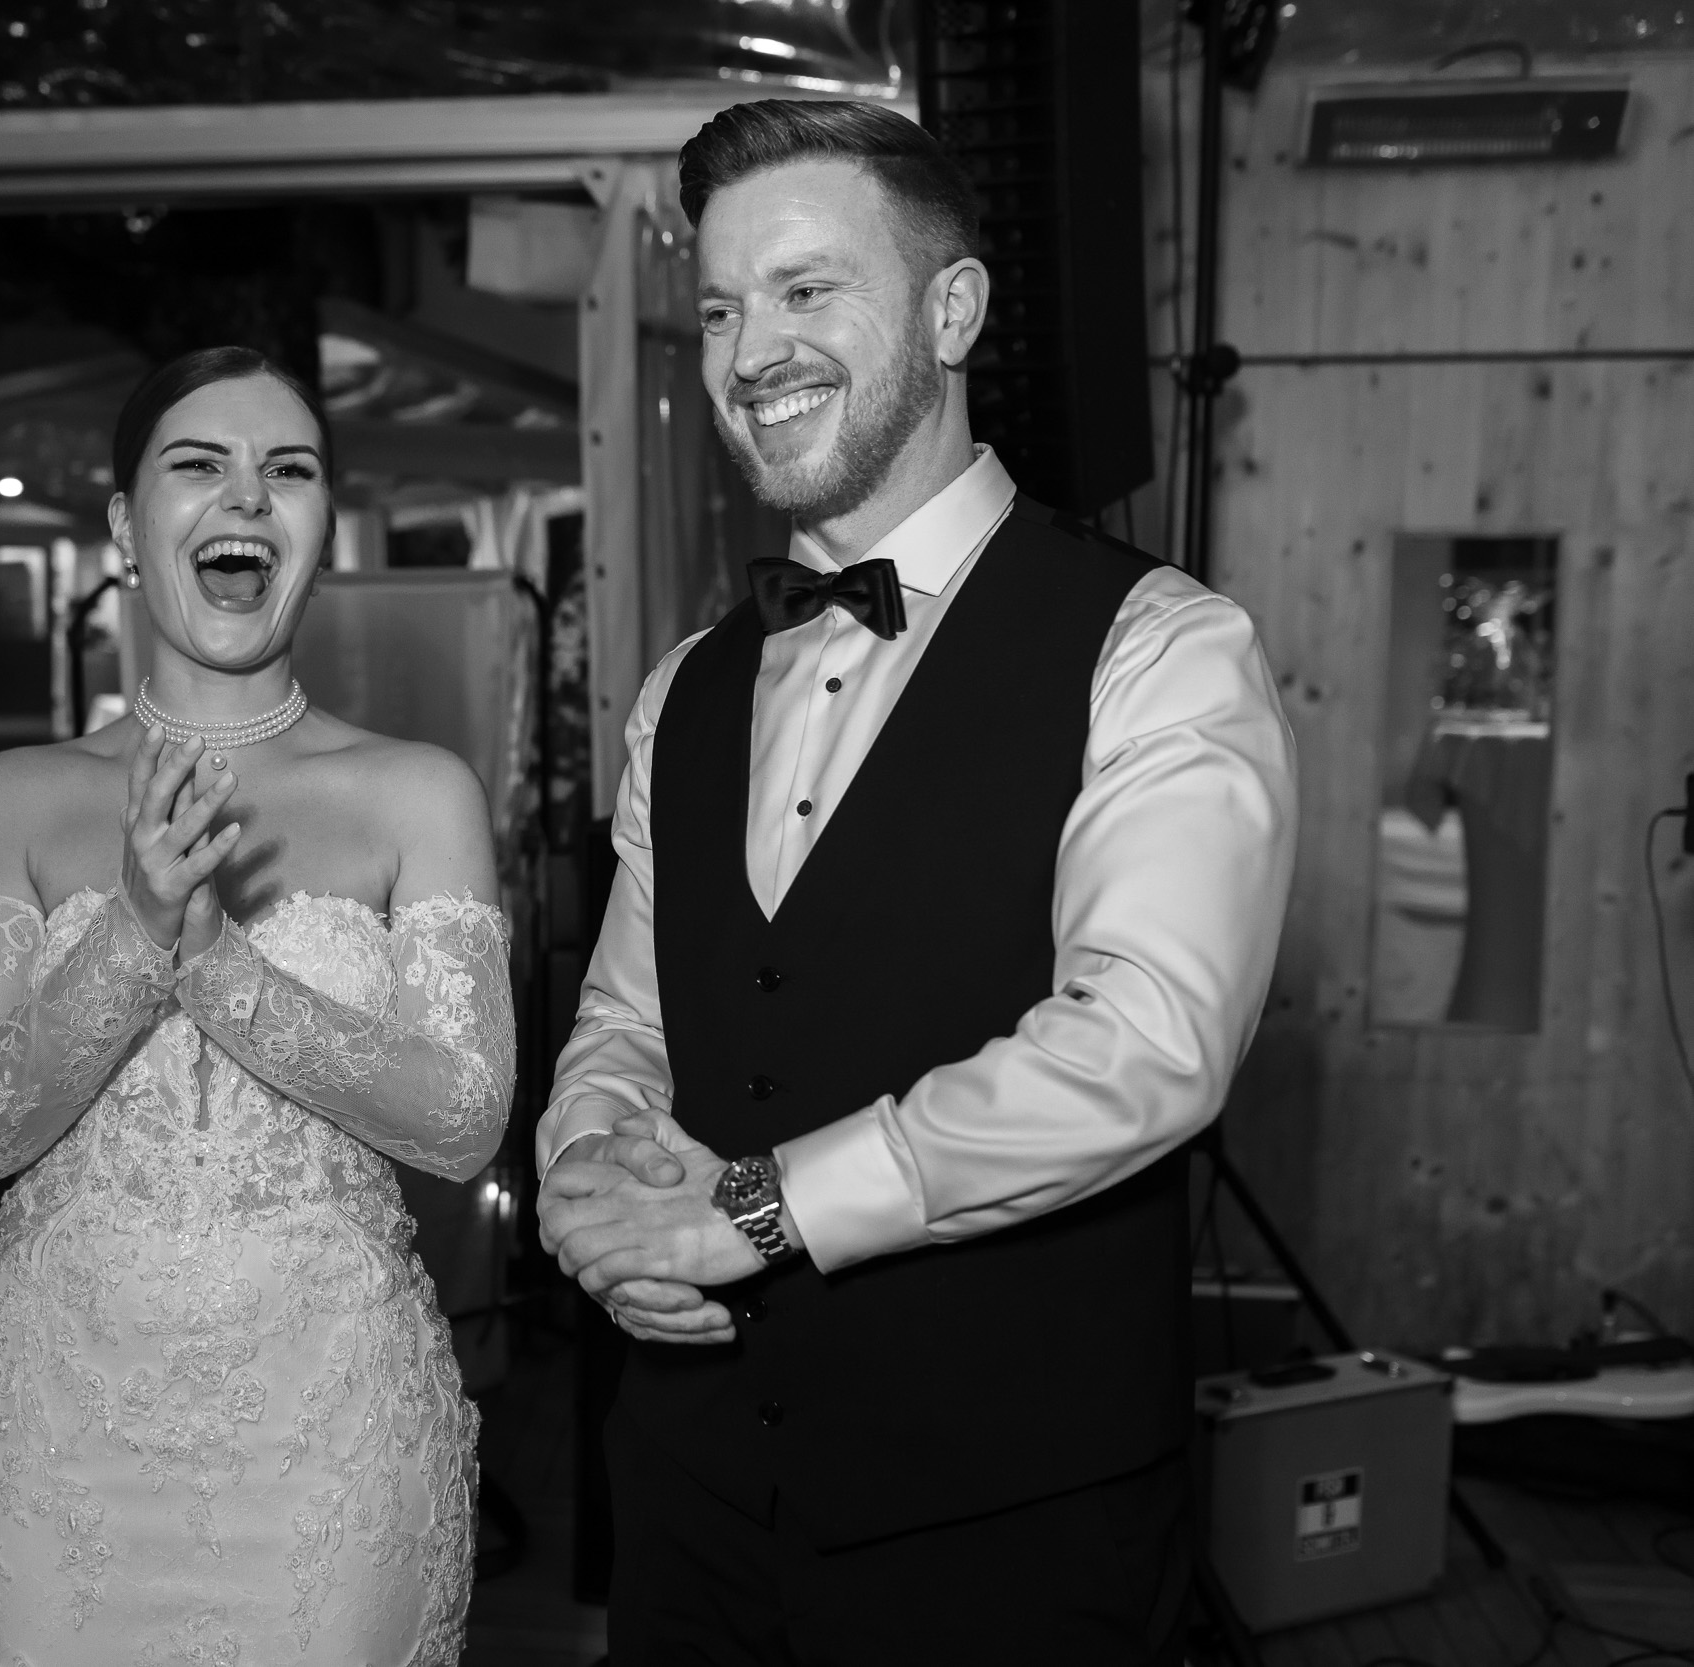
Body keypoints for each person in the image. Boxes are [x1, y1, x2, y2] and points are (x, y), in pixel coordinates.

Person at [534, 101, 1299, 1665]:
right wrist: (594, 1186)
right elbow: (627, 1019)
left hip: (1007, 1532)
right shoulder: (684, 688)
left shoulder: (1159, 648)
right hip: (686, 1509)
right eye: (721, 312)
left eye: (807, 290)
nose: (753, 353)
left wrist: (755, 1213)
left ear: (953, 312)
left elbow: (1145, 1041)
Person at [0, 346, 511, 1665]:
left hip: (330, 1439)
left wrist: (220, 966)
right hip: (57, 1439)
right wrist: (132, 930)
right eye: (199, 465)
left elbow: (465, 1124)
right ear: (126, 528)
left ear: (322, 531)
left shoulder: (419, 793)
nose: (247, 496)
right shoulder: (11, 799)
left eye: (287, 471)